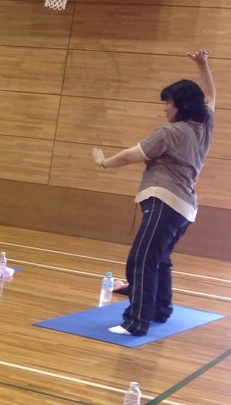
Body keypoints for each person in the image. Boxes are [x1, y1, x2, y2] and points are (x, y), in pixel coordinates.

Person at [92, 49, 215, 336]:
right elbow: (211, 95)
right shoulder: (205, 125)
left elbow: (129, 156)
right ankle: (160, 309)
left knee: (142, 259)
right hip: (185, 208)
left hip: (164, 202)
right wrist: (203, 65)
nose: (165, 109)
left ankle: (136, 322)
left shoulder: (169, 133)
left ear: (182, 105)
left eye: (169, 104)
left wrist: (103, 163)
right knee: (160, 258)